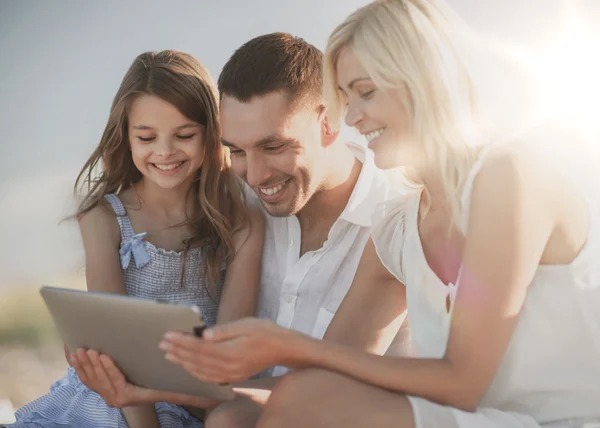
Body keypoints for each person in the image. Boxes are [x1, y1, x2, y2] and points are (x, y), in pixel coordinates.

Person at [156, 1, 600, 428]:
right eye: (346, 97)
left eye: (365, 93)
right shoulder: (399, 225)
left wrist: (290, 346)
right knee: (235, 418)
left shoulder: (507, 174)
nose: (351, 118)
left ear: (424, 80)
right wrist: (159, 390)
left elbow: (462, 383)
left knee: (300, 401)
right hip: (473, 420)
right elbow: (326, 378)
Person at [71, 32, 409, 427]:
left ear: (330, 122)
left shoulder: (393, 219)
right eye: (237, 150)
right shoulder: (236, 208)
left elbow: (323, 390)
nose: (256, 174)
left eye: (274, 146)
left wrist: (154, 392)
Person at [9, 50, 264, 428]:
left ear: (212, 133)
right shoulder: (103, 218)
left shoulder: (240, 222)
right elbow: (112, 349)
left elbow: (227, 356)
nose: (164, 151)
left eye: (184, 135)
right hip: (111, 399)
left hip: (195, 400)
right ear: (126, 137)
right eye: (146, 137)